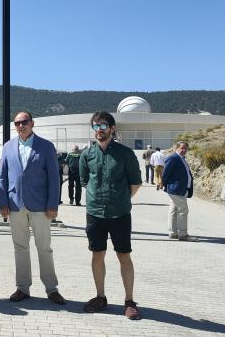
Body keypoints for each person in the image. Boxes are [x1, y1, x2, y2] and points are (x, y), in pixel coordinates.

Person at [0, 111, 65, 305]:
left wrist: (53, 204)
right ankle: (22, 288)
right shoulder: (8, 147)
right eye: (17, 123)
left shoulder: (46, 146)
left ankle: (51, 289)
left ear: (32, 123)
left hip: (41, 206)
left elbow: (54, 178)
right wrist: (3, 202)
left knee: (44, 248)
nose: (21, 126)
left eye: (24, 122)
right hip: (15, 204)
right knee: (20, 248)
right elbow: (2, 177)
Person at [80, 111, 142, 320]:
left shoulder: (125, 154)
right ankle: (100, 297)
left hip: (120, 214)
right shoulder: (86, 154)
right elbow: (84, 180)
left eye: (103, 125)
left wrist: (120, 199)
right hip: (95, 214)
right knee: (97, 255)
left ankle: (129, 301)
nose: (99, 130)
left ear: (112, 128)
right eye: (95, 126)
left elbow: (135, 183)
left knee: (123, 255)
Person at [162, 141, 194, 241]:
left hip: (179, 189)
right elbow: (165, 173)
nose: (184, 150)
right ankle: (183, 234)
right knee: (183, 210)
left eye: (186, 148)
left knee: (174, 210)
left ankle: (173, 232)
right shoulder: (173, 158)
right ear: (177, 148)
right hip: (176, 189)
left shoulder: (182, 159)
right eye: (182, 148)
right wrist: (164, 185)